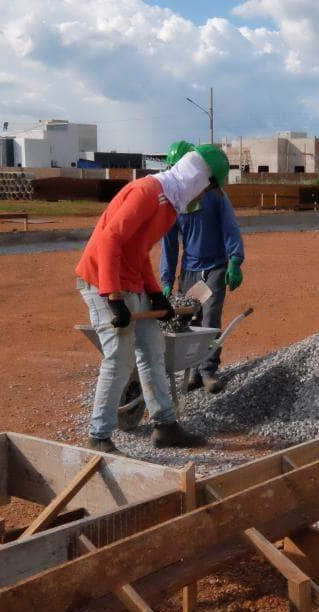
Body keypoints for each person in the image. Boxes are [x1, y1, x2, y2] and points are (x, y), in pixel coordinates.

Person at [75, 144, 230, 452]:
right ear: (200, 179)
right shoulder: (148, 192)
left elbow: (138, 251)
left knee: (152, 348)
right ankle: (99, 436)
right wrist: (113, 296)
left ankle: (165, 426)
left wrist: (156, 294)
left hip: (131, 283)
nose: (203, 196)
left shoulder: (170, 206)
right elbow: (110, 239)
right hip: (101, 280)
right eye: (207, 189)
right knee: (120, 357)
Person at [160, 140, 245, 393]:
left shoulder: (216, 196)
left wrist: (235, 261)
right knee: (189, 320)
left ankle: (208, 370)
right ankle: (193, 371)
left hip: (215, 267)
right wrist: (166, 280)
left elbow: (230, 228)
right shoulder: (175, 201)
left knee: (209, 320)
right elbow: (169, 244)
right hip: (190, 270)